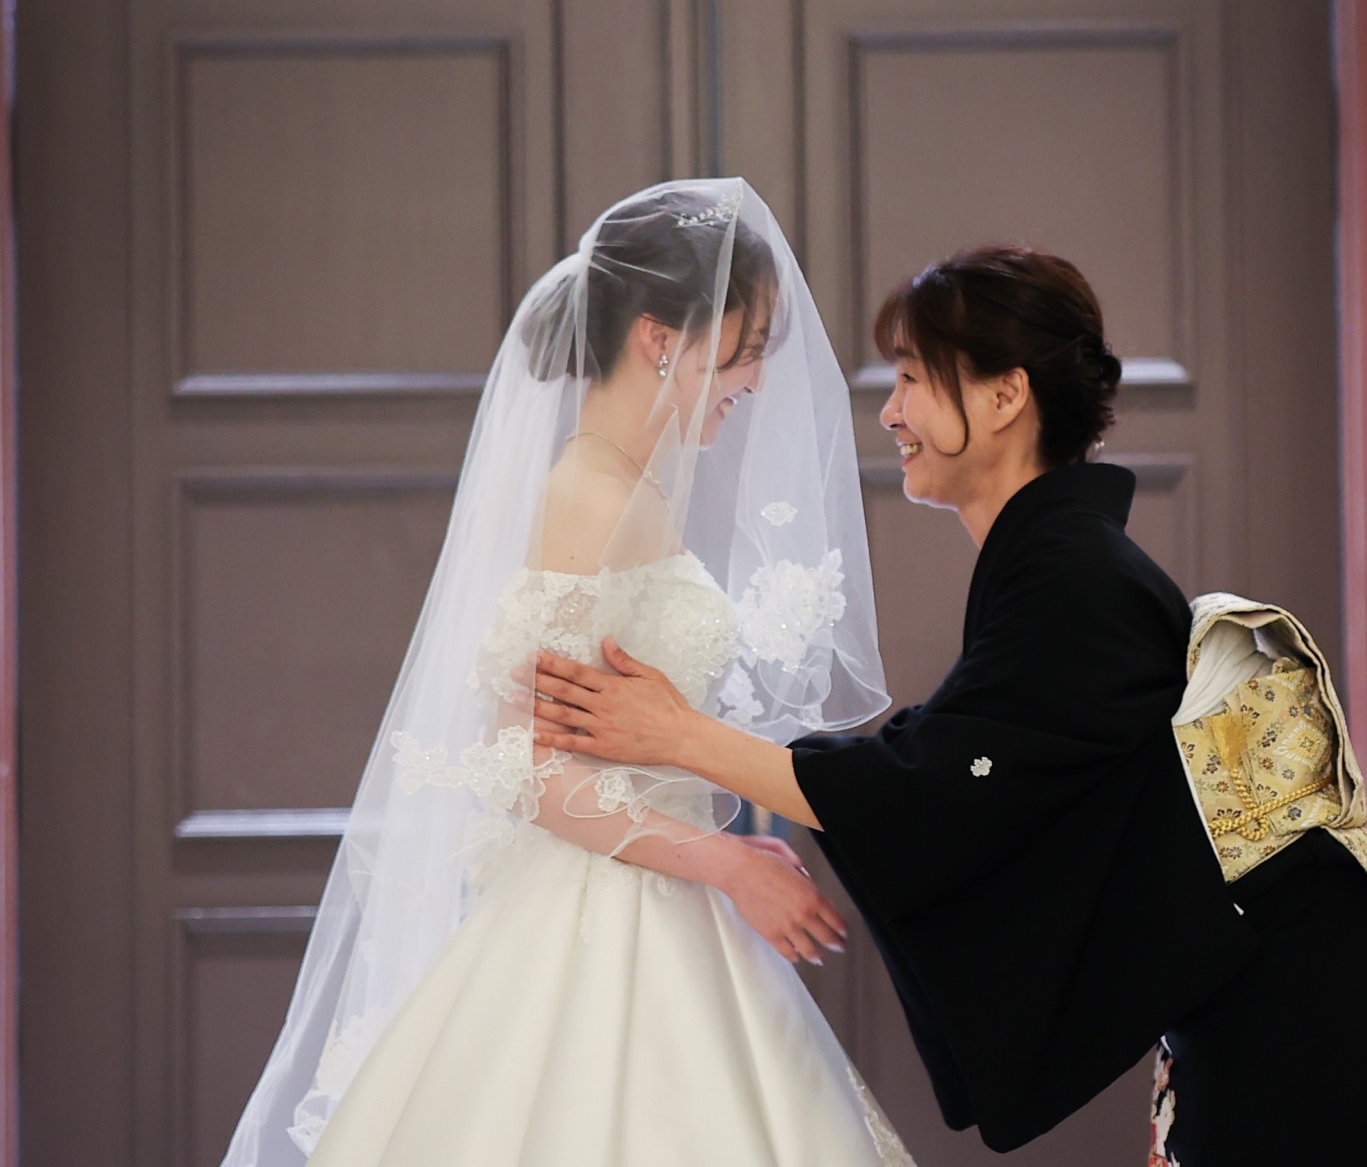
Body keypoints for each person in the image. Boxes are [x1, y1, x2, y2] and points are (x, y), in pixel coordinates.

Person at [531, 245, 1367, 1164]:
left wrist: (681, 735)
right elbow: (950, 771)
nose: (891, 412)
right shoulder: (1058, 562)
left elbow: (927, 791)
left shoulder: (1077, 576)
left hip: (1287, 996)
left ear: (1005, 397)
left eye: (913, 379)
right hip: (1248, 973)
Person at [223, 179, 915, 1167]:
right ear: (659, 338)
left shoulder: (628, 488)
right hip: (601, 918)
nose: (757, 377)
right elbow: (529, 766)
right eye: (746, 344)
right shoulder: (591, 498)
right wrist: (724, 861)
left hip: (659, 902)